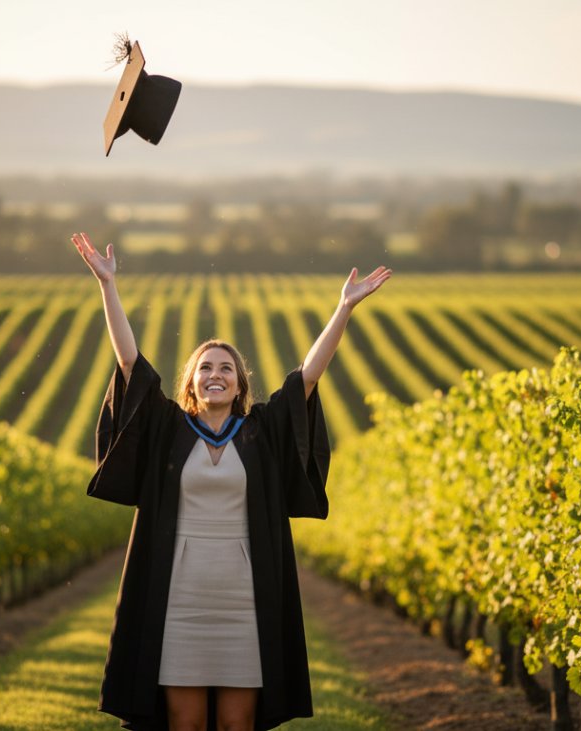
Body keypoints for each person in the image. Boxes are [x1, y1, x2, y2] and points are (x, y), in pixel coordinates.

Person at [72, 231, 390, 731]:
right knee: (186, 723)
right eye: (205, 368)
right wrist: (108, 286)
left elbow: (306, 377)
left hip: (245, 598)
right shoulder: (170, 428)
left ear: (240, 383)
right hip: (179, 594)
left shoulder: (260, 431)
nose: (214, 374)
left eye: (226, 368)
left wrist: (343, 309)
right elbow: (130, 363)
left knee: (239, 724)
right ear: (191, 382)